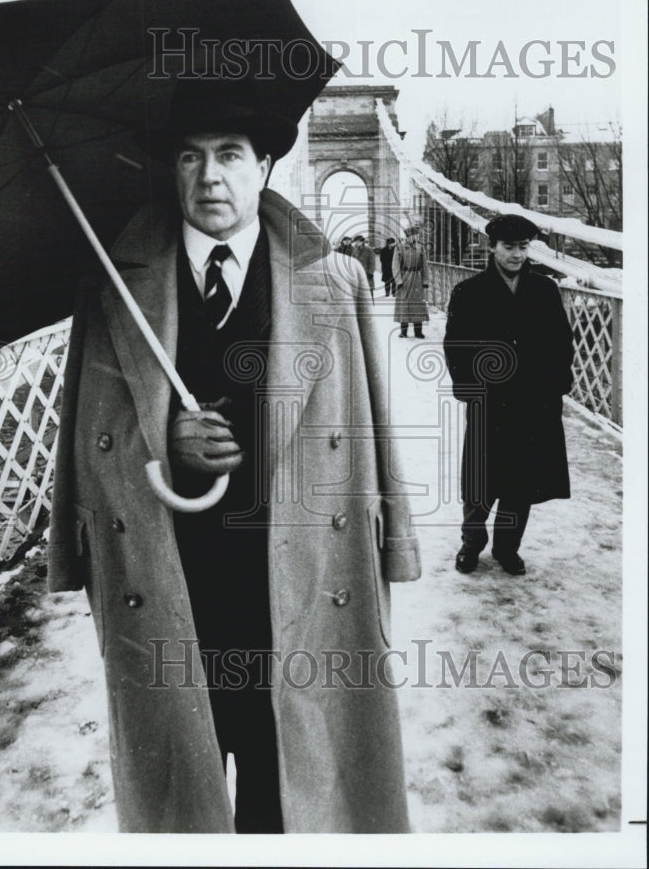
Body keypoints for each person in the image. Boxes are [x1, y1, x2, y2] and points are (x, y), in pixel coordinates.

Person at [48, 77, 421, 833]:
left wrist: (398, 541)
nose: (208, 176)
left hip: (301, 573)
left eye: (228, 155)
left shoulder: (335, 280)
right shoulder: (114, 287)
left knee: (293, 777)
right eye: (188, 158)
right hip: (172, 571)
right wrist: (168, 440)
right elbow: (86, 441)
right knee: (182, 775)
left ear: (265, 167)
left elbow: (373, 426)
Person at [443, 214, 574, 576]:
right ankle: (472, 544)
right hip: (490, 402)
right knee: (480, 481)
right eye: (509, 247)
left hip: (534, 403)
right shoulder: (468, 292)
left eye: (522, 247)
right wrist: (470, 390)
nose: (517, 255)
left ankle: (507, 547)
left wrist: (557, 384)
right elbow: (455, 345)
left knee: (521, 481)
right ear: (492, 247)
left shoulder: (544, 290)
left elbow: (562, 342)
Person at [392, 232, 429, 337]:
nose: (414, 238)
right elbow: (395, 265)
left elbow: (424, 265)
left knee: (418, 305)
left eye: (416, 235)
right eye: (412, 235)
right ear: (407, 236)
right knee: (404, 305)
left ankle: (418, 332)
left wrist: (425, 281)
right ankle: (403, 332)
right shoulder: (399, 247)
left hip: (417, 279)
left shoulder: (420, 247)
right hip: (404, 279)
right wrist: (398, 280)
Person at [351, 235, 376, 304]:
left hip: (367, 274)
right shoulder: (354, 250)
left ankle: (371, 306)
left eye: (359, 241)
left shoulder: (369, 250)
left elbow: (372, 262)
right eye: (356, 241)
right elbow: (352, 261)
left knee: (369, 291)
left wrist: (370, 272)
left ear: (362, 241)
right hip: (357, 274)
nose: (357, 243)